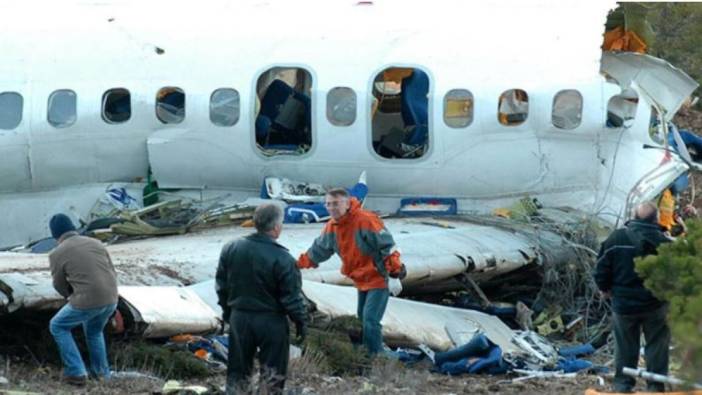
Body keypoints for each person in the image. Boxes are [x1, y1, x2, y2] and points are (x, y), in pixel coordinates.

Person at [297, 188, 406, 355]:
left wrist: (394, 274)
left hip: (379, 277)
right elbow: (318, 251)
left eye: (336, 204)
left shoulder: (366, 220)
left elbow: (388, 247)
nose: (331, 208)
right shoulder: (332, 227)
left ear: (347, 204)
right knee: (361, 321)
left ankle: (376, 358)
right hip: (361, 280)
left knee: (370, 320)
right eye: (328, 204)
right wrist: (296, 265)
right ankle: (364, 354)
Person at [215, 203, 306, 395]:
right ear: (276, 227)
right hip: (271, 321)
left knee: (237, 373)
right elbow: (291, 297)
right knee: (272, 374)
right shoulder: (283, 258)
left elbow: (221, 286)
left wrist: (227, 312)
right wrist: (300, 321)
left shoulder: (230, 248)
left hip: (239, 317)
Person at [594, 202, 671, 393]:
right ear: (656, 219)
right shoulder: (665, 243)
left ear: (634, 217)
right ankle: (655, 386)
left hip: (624, 305)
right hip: (656, 305)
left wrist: (605, 289)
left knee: (625, 346)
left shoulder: (616, 238)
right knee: (657, 346)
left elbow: (601, 269)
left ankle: (623, 385)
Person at [48, 213, 118, 386]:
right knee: (94, 332)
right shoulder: (96, 243)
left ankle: (76, 371)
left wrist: (70, 297)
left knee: (58, 326)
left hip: (88, 300)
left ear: (55, 235)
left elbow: (59, 284)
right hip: (111, 298)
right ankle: (102, 374)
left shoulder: (57, 253)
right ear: (74, 228)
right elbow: (111, 272)